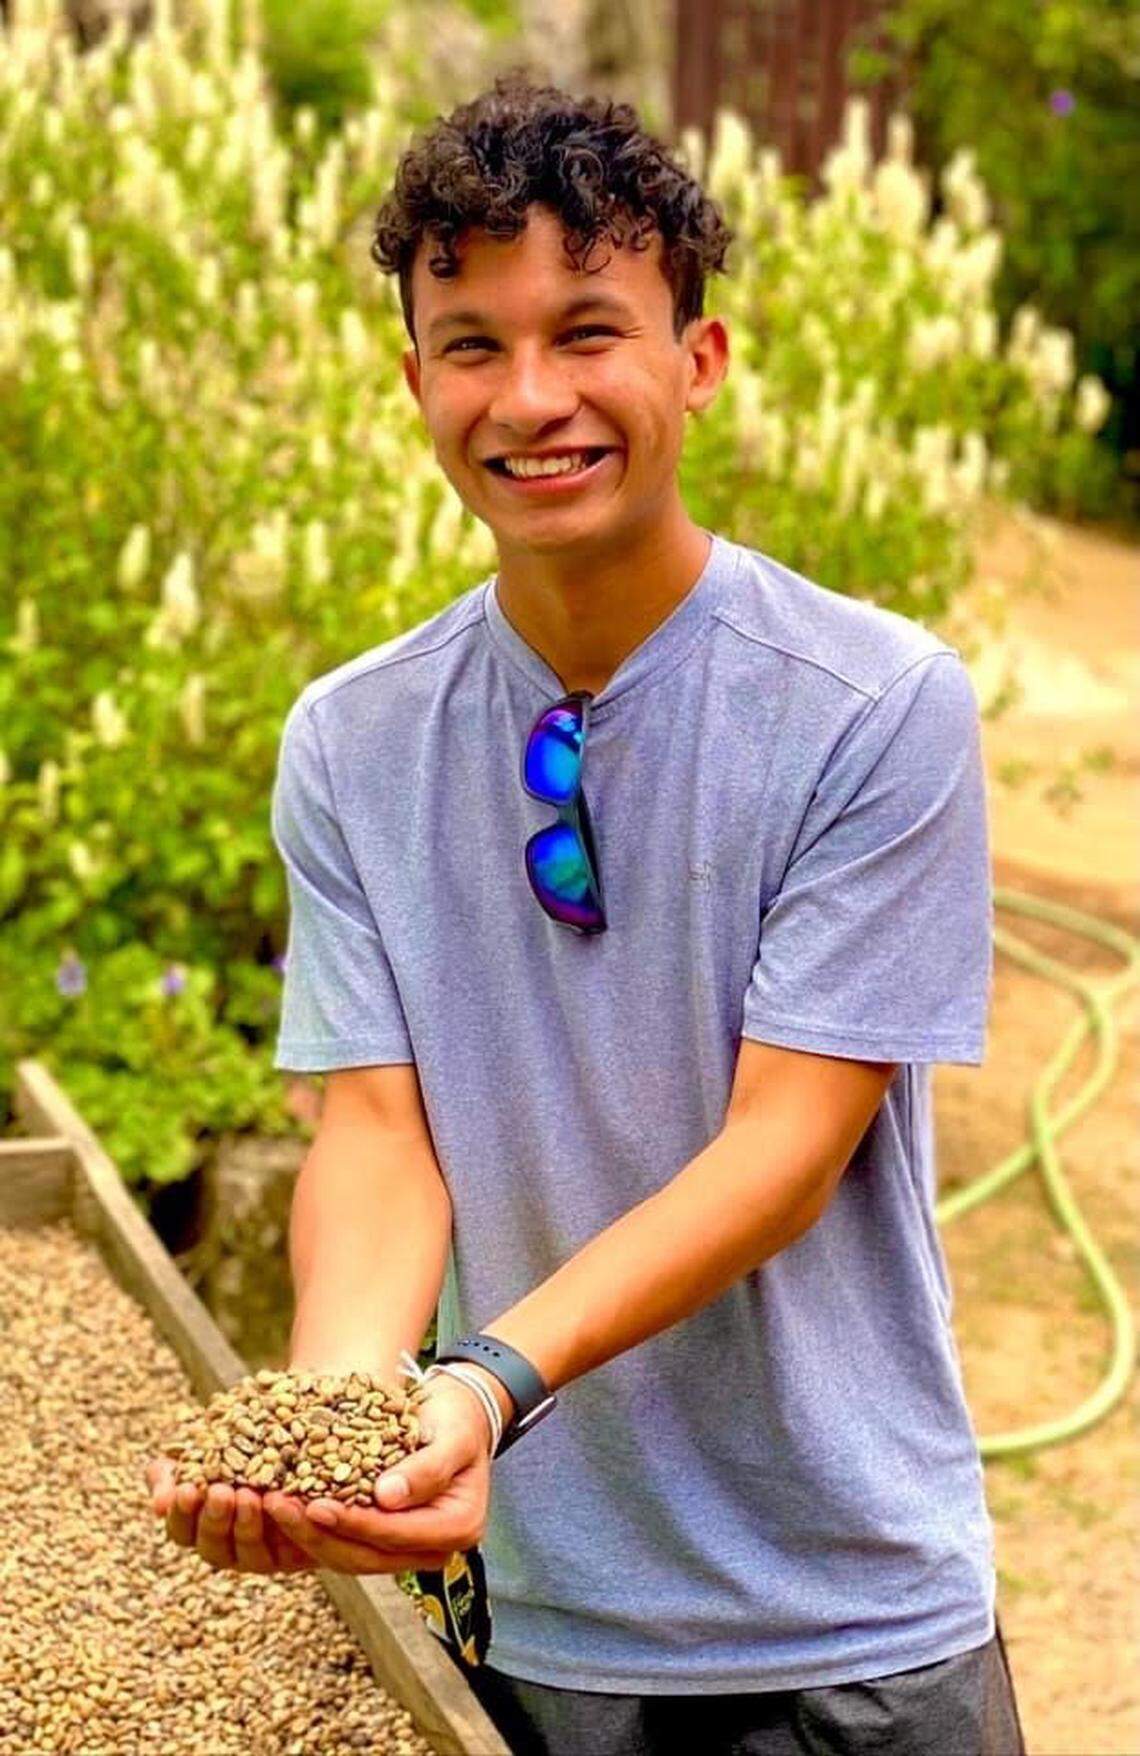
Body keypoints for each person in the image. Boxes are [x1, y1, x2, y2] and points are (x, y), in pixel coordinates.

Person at [149, 68, 1028, 1756]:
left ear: (695, 362)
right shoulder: (353, 739)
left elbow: (785, 1149)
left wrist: (478, 1383)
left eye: (588, 330)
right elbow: (378, 1131)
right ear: (412, 380)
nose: (529, 394)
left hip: (845, 1615)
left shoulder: (871, 704)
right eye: (471, 341)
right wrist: (343, 1417)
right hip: (541, 1617)